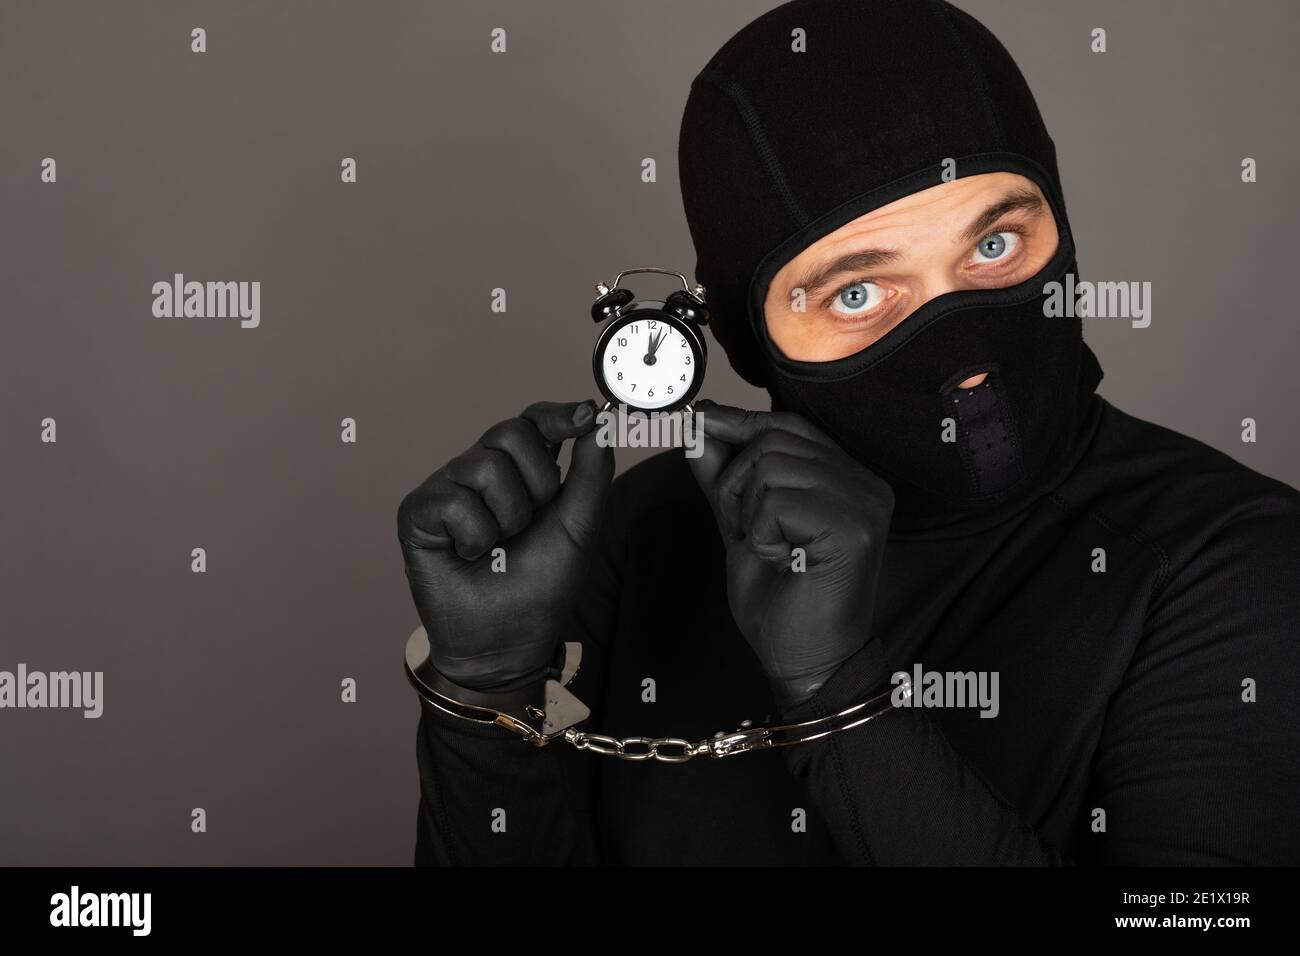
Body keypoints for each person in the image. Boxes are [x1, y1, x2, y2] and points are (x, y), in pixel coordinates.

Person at [397, 0, 1300, 865]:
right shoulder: (629, 539)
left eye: (993, 247)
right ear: (749, 340)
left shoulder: (1232, 560)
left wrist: (837, 695)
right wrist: (487, 690)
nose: (964, 350)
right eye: (858, 293)